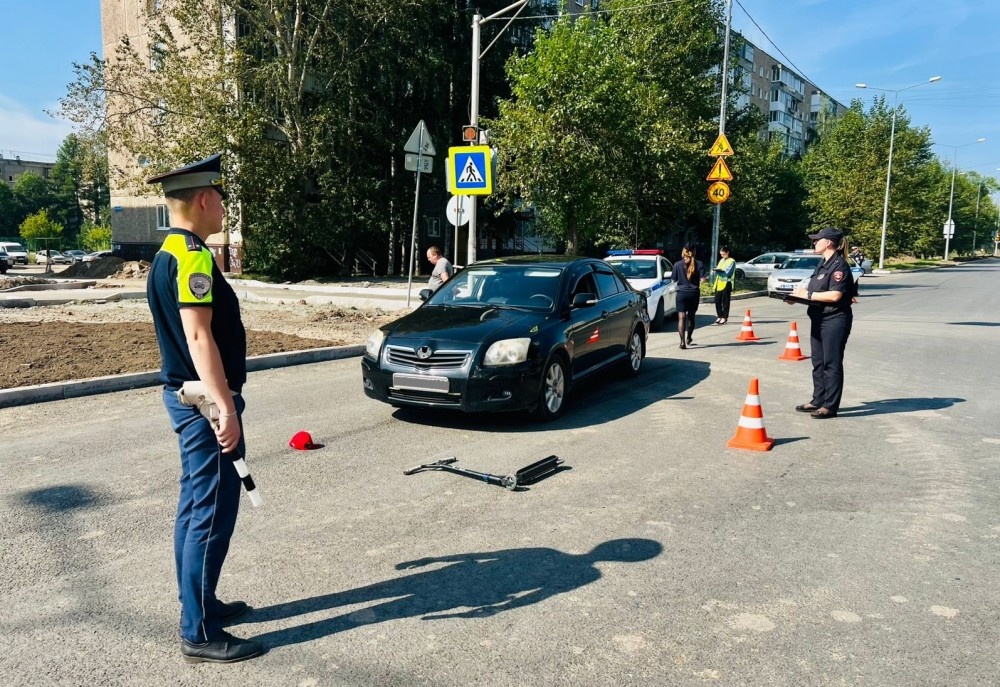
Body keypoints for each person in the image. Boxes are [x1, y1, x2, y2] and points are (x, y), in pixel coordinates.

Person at [145, 153, 263, 664]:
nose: (224, 207)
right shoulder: (192, 256)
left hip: (187, 397)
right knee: (210, 514)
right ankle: (197, 631)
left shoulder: (168, 252)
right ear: (203, 199)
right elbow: (198, 337)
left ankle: (201, 603)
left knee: (197, 506)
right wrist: (225, 408)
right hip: (204, 403)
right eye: (220, 198)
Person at [790, 226, 857, 419]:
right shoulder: (822, 264)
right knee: (818, 362)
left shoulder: (839, 265)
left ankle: (830, 406)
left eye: (817, 239)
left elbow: (835, 295)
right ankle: (818, 399)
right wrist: (796, 297)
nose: (814, 242)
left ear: (828, 243)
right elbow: (815, 291)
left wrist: (807, 294)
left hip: (834, 319)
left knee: (831, 363)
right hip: (818, 318)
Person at [670, 244, 707, 349]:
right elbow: (703, 279)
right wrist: (702, 279)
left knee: (681, 318)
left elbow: (673, 280)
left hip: (681, 294)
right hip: (694, 294)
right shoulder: (699, 264)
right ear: (694, 252)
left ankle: (682, 342)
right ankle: (689, 337)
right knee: (691, 317)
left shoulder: (677, 264)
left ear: (683, 252)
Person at [712, 245, 736, 324]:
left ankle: (724, 317)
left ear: (727, 252)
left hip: (727, 283)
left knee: (725, 301)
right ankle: (719, 316)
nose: (722, 256)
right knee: (717, 300)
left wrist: (718, 271)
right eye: (721, 254)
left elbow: (727, 273)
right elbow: (719, 269)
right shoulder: (721, 260)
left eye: (723, 254)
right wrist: (716, 270)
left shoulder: (732, 261)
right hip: (719, 283)